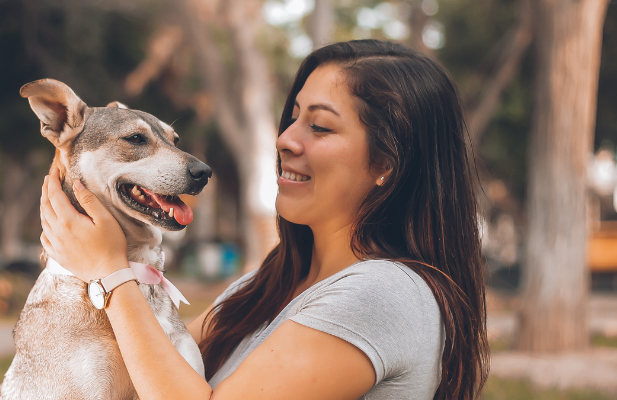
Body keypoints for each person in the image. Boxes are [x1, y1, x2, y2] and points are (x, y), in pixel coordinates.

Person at [39, 39, 489, 399]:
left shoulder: (384, 295)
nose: (285, 140)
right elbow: (145, 370)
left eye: (321, 126)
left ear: (387, 164)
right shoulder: (262, 287)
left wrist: (109, 272)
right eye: (292, 118)